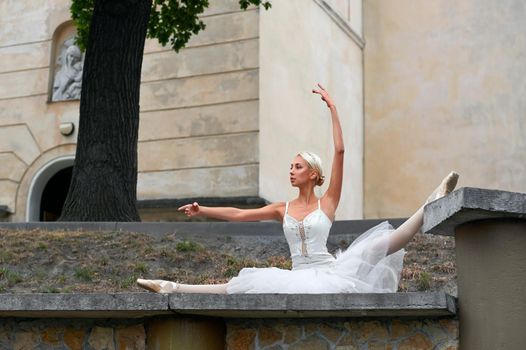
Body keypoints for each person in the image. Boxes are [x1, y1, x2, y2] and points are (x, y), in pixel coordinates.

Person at [137, 84, 459, 294]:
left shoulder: (328, 201)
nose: (291, 172)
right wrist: (202, 209)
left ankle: (430, 202)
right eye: (291, 167)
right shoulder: (282, 209)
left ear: (313, 174)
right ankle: (172, 287)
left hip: (330, 272)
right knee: (240, 284)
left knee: (380, 245)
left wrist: (333, 109)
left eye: (298, 167)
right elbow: (239, 213)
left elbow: (340, 152)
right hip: (296, 274)